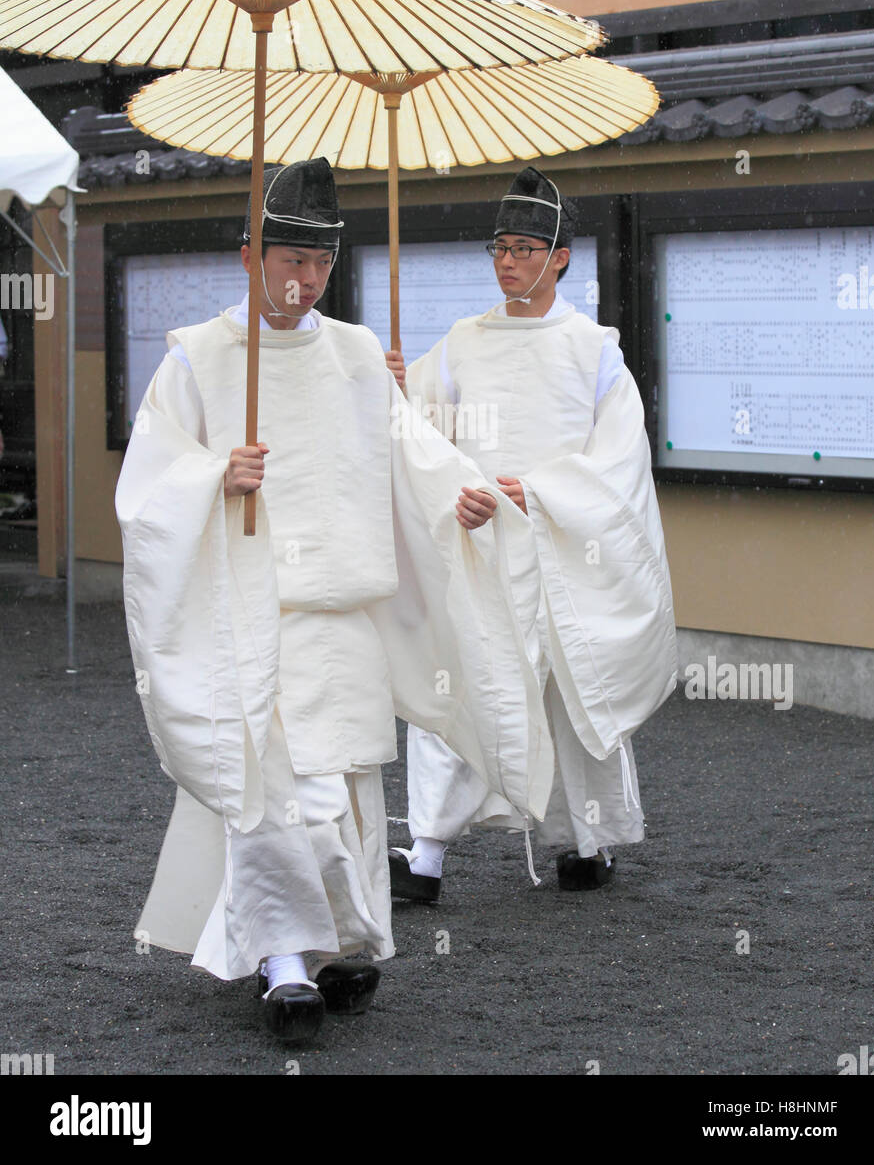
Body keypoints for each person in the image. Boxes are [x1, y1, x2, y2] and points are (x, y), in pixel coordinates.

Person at [116, 159, 551, 1046]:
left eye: (318, 263)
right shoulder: (200, 359)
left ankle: (347, 940)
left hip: (344, 609)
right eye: (287, 258)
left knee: (350, 785)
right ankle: (281, 963)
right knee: (279, 790)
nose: (303, 279)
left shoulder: (355, 355)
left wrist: (458, 496)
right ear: (250, 255)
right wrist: (213, 475)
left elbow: (409, 455)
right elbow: (146, 485)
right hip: (256, 610)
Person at [385, 165, 677, 902]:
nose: (508, 260)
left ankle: (585, 842)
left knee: (569, 689)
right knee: (464, 680)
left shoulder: (592, 349)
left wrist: (540, 494)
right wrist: (388, 386)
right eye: (499, 247)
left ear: (560, 258)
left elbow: (618, 461)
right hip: (480, 542)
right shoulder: (460, 343)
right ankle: (424, 851)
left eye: (523, 247)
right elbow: (420, 435)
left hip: (561, 545)